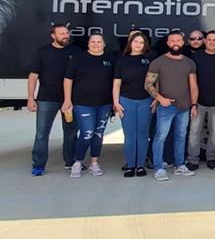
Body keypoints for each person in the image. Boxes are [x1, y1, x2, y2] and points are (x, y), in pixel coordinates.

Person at [27, 24, 81, 176]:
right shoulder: (43, 53)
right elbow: (33, 77)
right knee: (42, 133)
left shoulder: (75, 52)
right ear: (53, 35)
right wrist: (31, 98)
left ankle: (70, 162)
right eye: (62, 33)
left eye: (67, 33)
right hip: (47, 99)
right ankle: (38, 164)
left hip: (70, 100)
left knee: (71, 133)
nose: (66, 36)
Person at [146, 30, 198, 181]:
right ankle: (158, 168)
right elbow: (148, 84)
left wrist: (193, 104)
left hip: (184, 106)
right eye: (172, 41)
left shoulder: (189, 63)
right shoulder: (158, 62)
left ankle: (180, 165)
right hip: (166, 106)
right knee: (160, 137)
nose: (175, 43)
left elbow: (193, 86)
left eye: (178, 41)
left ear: (183, 43)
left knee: (181, 136)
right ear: (168, 43)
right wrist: (160, 99)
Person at [61, 33, 115, 178]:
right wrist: (67, 100)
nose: (96, 44)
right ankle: (77, 162)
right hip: (83, 103)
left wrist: (116, 103)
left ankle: (94, 163)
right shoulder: (79, 58)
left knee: (98, 134)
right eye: (93, 42)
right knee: (87, 134)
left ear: (104, 44)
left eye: (99, 42)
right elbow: (68, 79)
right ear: (88, 44)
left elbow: (117, 82)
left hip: (105, 104)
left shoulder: (111, 59)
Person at [187, 31, 215, 171]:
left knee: (214, 132)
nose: (212, 42)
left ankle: (212, 158)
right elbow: (192, 82)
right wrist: (193, 102)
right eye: (209, 40)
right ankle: (192, 160)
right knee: (194, 132)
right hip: (198, 102)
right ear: (204, 42)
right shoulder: (195, 58)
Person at [113, 32, 155, 177]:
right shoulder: (122, 61)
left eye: (141, 42)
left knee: (143, 134)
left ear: (145, 45)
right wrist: (116, 103)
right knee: (130, 135)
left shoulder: (149, 60)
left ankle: (140, 165)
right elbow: (116, 84)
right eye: (135, 41)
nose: (138, 44)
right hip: (126, 101)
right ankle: (130, 165)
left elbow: (156, 81)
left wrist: (156, 98)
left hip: (146, 100)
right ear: (130, 43)